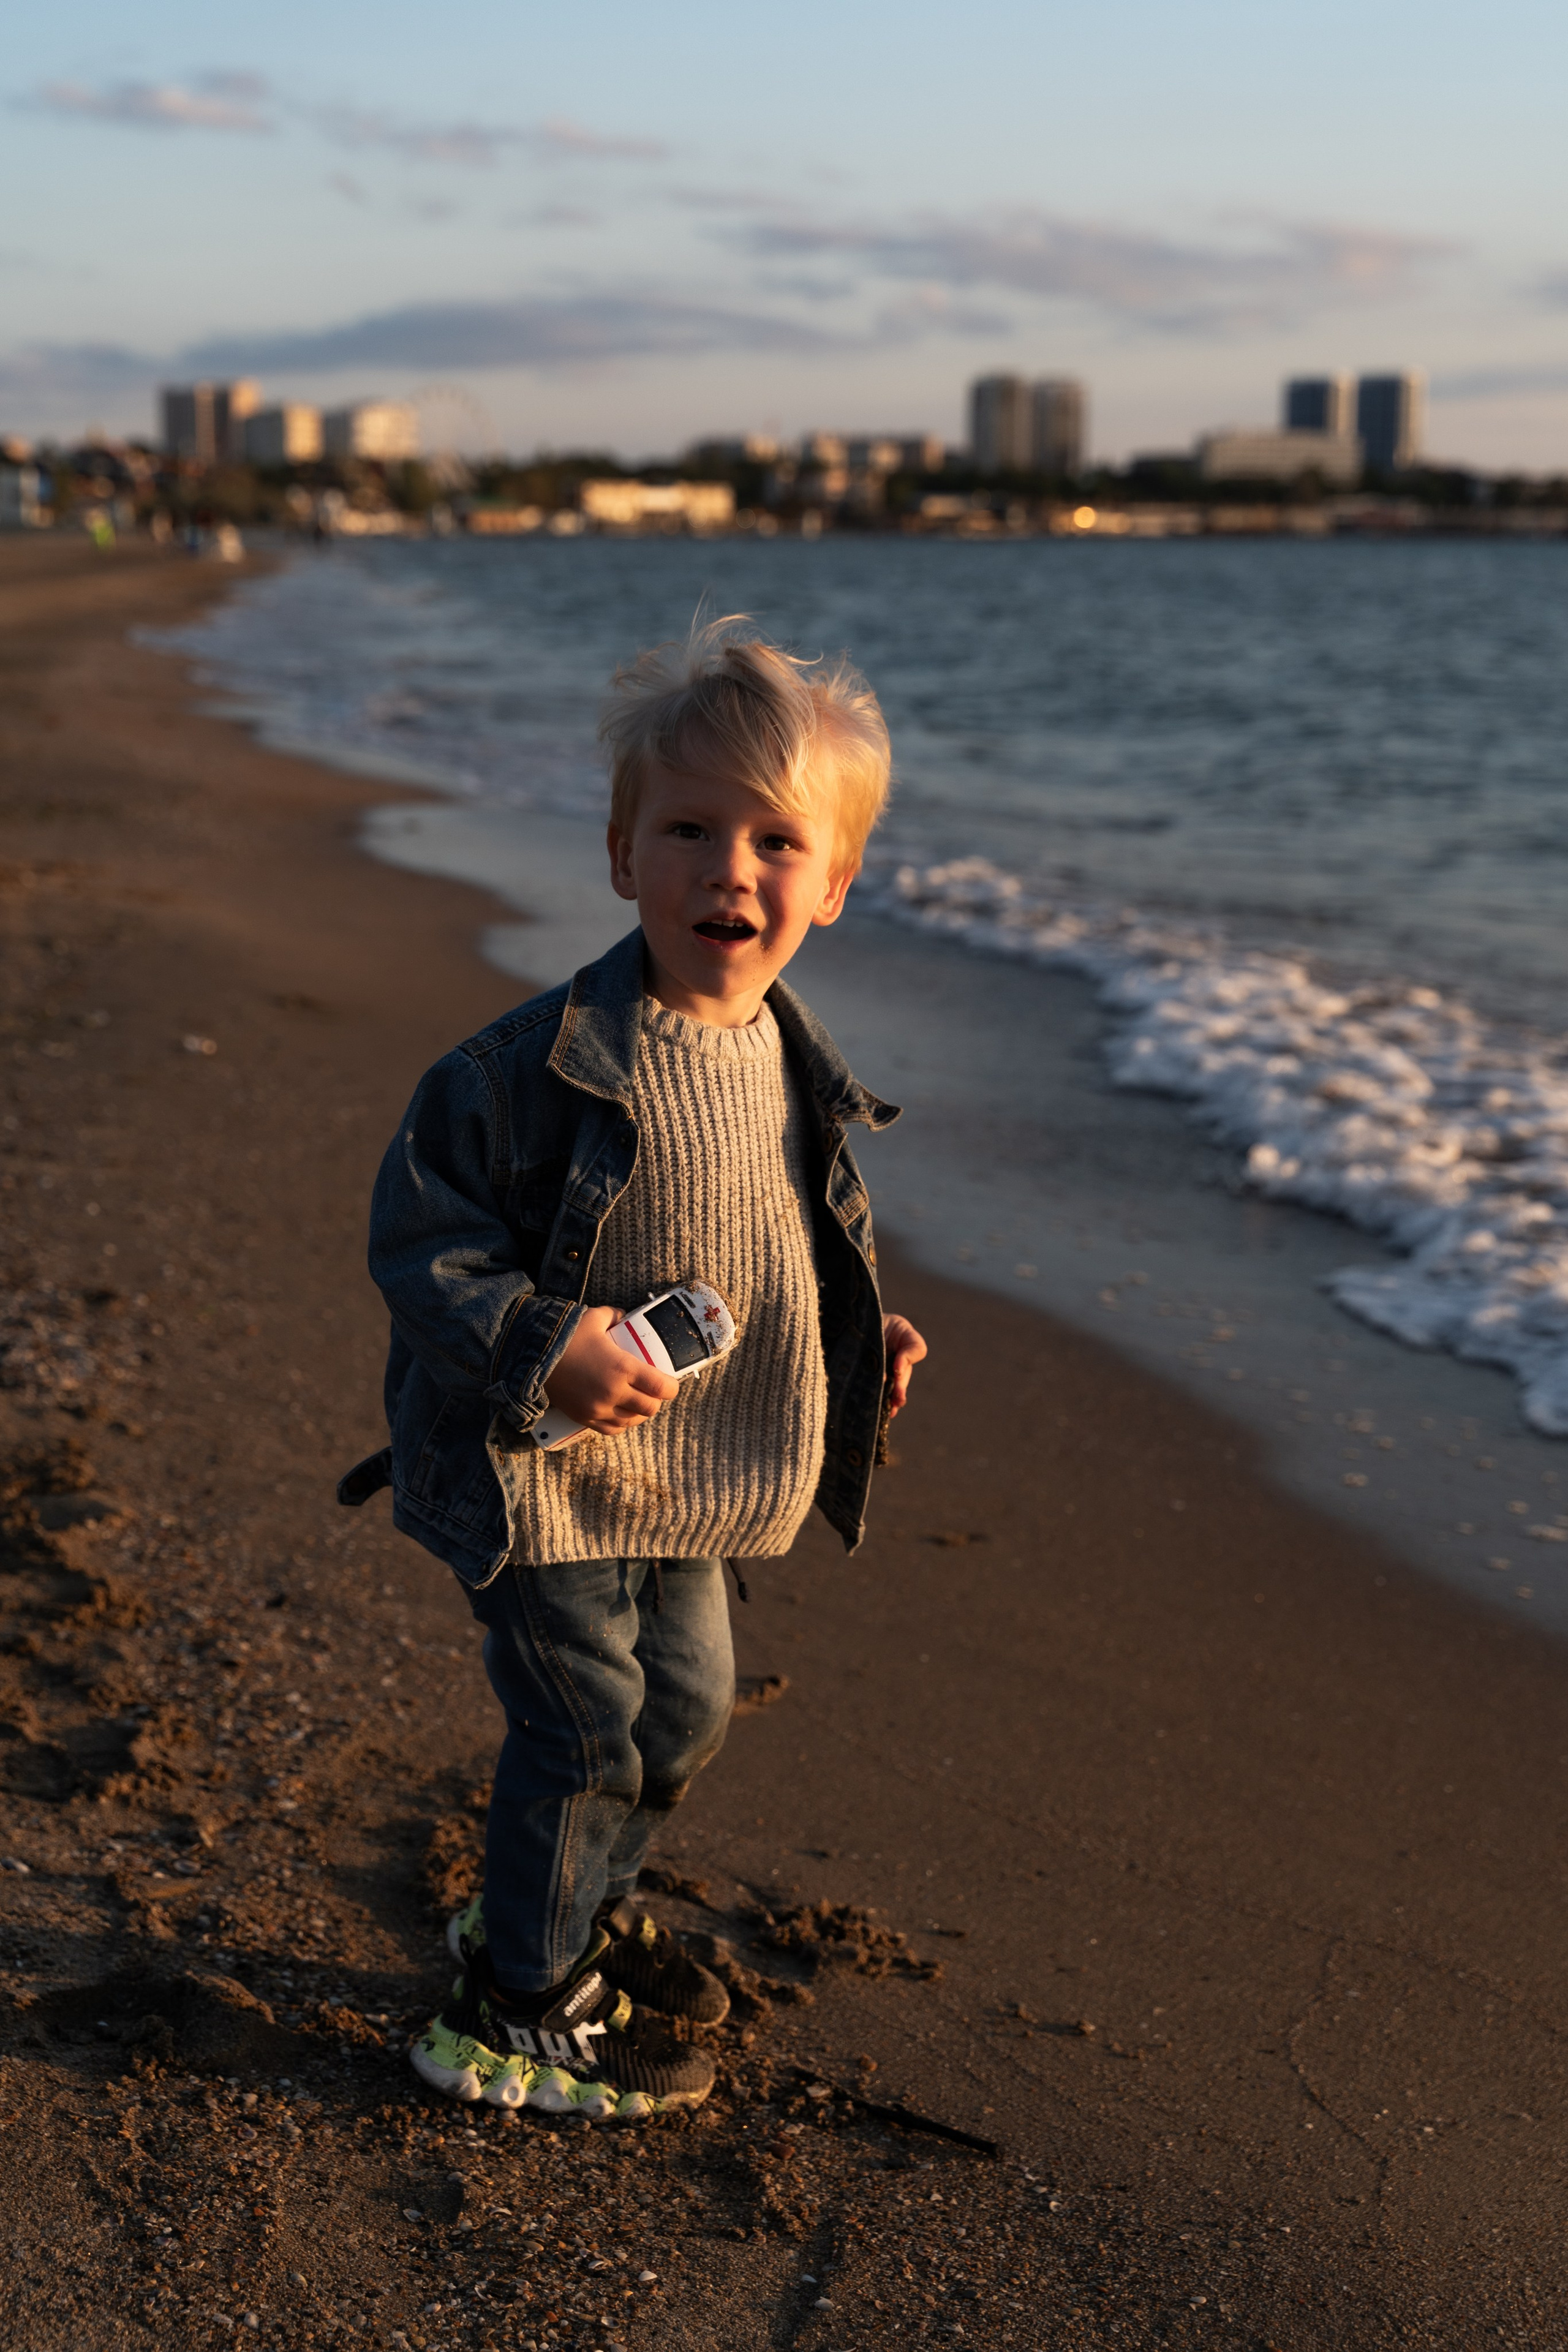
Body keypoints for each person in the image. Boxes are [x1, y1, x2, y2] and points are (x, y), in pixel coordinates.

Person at [343, 617, 927, 2119]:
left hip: (694, 1471)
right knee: (586, 1728)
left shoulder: (792, 1069)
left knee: (686, 1719)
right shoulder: (519, 1073)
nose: (729, 869)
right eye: (688, 829)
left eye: (775, 841)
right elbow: (424, 1246)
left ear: (834, 886)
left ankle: (552, 1908)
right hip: (544, 1477)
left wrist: (862, 1342)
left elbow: (784, 1240)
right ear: (621, 855)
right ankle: (511, 2003)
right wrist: (546, 1346)